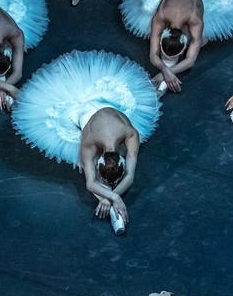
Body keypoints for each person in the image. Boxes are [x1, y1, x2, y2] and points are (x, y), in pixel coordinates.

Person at [11, 50, 161, 233]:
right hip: (81, 115)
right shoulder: (89, 142)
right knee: (85, 166)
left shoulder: (131, 134)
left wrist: (110, 198)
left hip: (107, 107)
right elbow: (91, 182)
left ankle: (113, 209)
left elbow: (129, 175)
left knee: (104, 182)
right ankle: (115, 213)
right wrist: (116, 198)